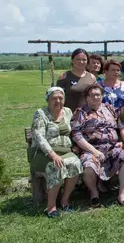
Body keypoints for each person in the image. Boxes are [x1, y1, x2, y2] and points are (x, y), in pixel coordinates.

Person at [71, 84, 124, 207]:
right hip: (90, 150)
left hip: (111, 148)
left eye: (98, 95)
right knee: (88, 165)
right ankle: (94, 193)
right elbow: (76, 135)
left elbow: (119, 127)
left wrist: (121, 140)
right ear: (86, 98)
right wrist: (94, 151)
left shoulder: (109, 108)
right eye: (92, 95)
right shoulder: (81, 112)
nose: (96, 97)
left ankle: (122, 195)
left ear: (102, 96)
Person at [30, 87, 83, 217]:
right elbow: (39, 137)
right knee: (56, 167)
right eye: (54, 98)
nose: (58, 101)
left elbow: (73, 130)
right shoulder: (40, 113)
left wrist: (76, 145)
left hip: (65, 151)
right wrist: (52, 155)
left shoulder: (67, 112)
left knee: (75, 164)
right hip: (43, 154)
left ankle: (65, 200)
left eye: (61, 98)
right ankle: (51, 207)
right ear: (48, 99)